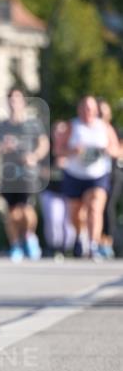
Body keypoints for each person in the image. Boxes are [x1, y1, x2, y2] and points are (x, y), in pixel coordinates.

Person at [57, 95, 119, 260]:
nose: (87, 112)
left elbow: (117, 150)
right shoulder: (72, 126)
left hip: (97, 175)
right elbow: (58, 150)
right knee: (76, 215)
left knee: (94, 208)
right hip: (75, 174)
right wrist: (72, 151)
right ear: (79, 110)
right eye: (84, 108)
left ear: (96, 110)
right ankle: (79, 236)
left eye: (90, 109)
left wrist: (107, 150)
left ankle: (93, 245)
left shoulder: (104, 127)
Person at [0, 87, 49, 261]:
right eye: (10, 99)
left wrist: (34, 156)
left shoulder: (33, 124)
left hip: (27, 173)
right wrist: (2, 147)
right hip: (8, 174)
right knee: (11, 213)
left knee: (26, 210)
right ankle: (15, 245)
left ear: (23, 102)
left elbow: (44, 144)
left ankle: (30, 237)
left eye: (16, 99)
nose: (13, 102)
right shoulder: (1, 125)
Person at [39, 120, 75, 258]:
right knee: (54, 219)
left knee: (69, 222)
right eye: (56, 131)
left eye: (62, 131)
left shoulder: (72, 148)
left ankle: (69, 248)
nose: (59, 134)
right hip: (51, 190)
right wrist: (54, 168)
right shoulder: (46, 150)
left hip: (70, 191)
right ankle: (55, 248)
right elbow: (40, 170)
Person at [96, 98, 123, 259]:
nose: (100, 114)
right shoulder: (90, 131)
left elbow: (120, 151)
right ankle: (95, 241)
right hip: (95, 175)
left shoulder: (114, 130)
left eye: (103, 111)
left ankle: (108, 241)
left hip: (113, 174)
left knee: (107, 207)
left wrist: (109, 150)